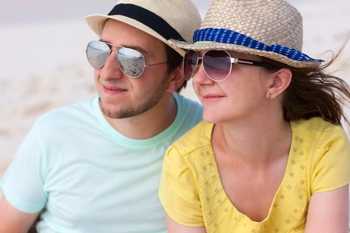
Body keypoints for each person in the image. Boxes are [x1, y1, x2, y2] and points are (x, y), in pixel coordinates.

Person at [0, 0, 202, 232]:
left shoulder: (208, 136)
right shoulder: (54, 133)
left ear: (177, 74)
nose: (107, 73)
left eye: (133, 60)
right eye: (101, 51)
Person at [159, 0, 350, 232]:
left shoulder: (324, 147)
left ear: (276, 82)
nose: (199, 79)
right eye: (195, 61)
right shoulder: (185, 163)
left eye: (218, 62)